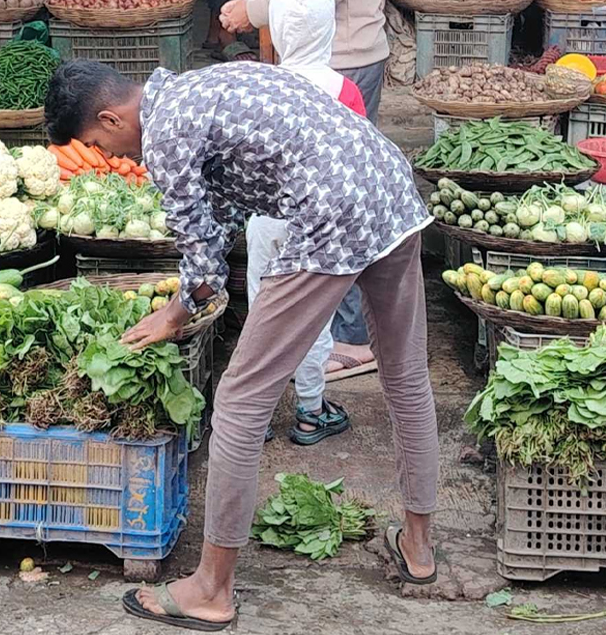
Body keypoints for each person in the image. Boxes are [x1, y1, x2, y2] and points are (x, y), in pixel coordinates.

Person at [45, 59, 439, 631]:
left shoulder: (165, 132)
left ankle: (211, 588)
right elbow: (226, 208)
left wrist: (175, 312)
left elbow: (203, 260)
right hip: (388, 189)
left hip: (331, 215)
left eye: (97, 143)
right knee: (405, 378)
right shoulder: (204, 84)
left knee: (239, 403)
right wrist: (189, 295)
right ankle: (419, 550)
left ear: (110, 117)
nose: (112, 157)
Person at [218, 0, 391, 381]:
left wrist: (253, 11)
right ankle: (339, 333)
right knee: (321, 201)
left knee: (332, 203)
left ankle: (352, 341)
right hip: (316, 60)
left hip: (343, 61)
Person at [246, 0, 363, 445]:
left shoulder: (260, 87)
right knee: (313, 322)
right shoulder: (345, 91)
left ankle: (254, 416)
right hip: (318, 227)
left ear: (276, 28)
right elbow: (355, 162)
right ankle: (311, 414)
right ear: (329, 29)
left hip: (265, 221)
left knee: (262, 316)